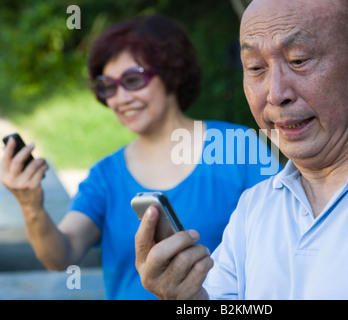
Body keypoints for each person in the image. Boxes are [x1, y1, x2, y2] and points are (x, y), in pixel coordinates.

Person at [135, 0, 348, 300]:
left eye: (299, 60)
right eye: (256, 67)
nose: (275, 94)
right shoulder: (255, 206)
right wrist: (184, 297)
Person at [0, 14, 279, 300]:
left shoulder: (239, 147)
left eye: (132, 80)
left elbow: (282, 244)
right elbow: (60, 255)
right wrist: (30, 205)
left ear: (172, 72)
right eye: (107, 86)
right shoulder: (105, 175)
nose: (119, 98)